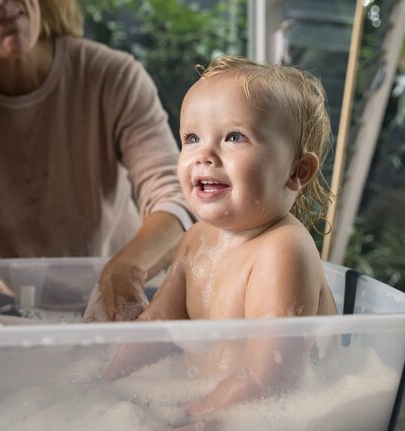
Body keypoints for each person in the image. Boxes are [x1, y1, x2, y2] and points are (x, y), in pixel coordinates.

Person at [0, 0, 192, 326]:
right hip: (17, 312)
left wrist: (128, 268)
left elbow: (176, 199)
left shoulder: (113, 77)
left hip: (133, 308)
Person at [103, 56, 339, 428]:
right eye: (191, 138)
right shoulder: (195, 240)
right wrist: (105, 384)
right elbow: (157, 326)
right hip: (208, 402)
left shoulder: (282, 249)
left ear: (297, 171)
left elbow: (272, 379)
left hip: (268, 417)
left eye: (234, 137)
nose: (203, 155)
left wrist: (183, 419)